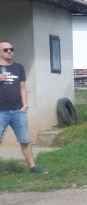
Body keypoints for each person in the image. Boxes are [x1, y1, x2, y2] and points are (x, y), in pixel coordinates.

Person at [0, 41, 46, 174]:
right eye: (5, 50)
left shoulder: (18, 67)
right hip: (1, 111)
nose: (9, 51)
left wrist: (25, 106)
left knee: (24, 140)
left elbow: (23, 87)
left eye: (11, 49)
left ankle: (33, 167)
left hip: (18, 111)